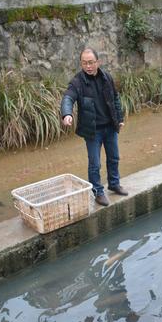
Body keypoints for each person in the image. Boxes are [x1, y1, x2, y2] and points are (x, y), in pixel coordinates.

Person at [61, 47, 127, 207]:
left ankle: (114, 183)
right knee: (95, 164)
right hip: (93, 131)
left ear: (98, 62)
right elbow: (67, 98)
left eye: (91, 63)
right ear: (81, 64)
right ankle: (98, 191)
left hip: (110, 127)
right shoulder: (77, 82)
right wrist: (67, 114)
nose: (88, 66)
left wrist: (119, 118)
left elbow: (115, 99)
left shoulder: (106, 78)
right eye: (84, 63)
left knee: (114, 157)